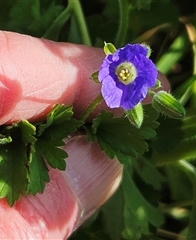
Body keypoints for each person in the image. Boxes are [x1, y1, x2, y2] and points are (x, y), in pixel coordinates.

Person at [0, 30, 169, 239]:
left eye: (127, 73)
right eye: (123, 70)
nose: (124, 73)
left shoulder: (132, 81)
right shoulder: (111, 69)